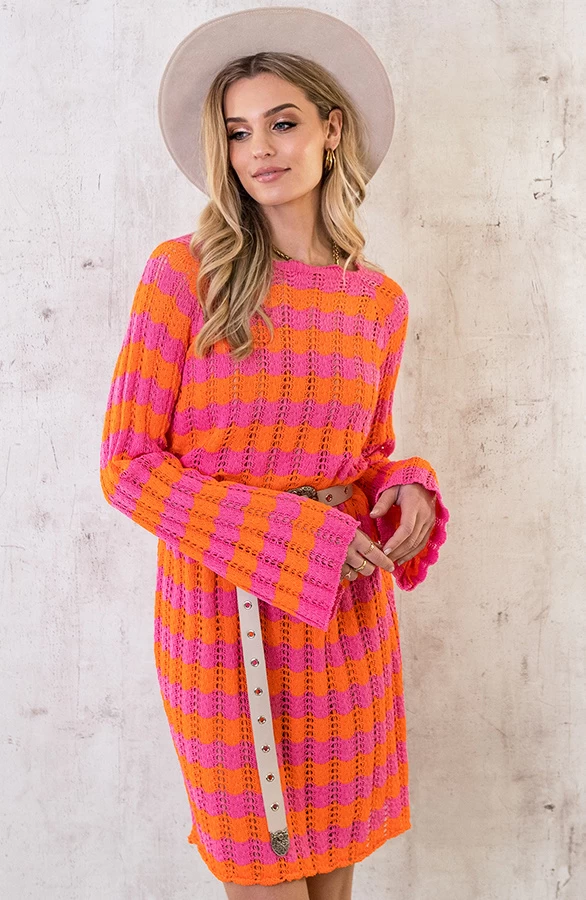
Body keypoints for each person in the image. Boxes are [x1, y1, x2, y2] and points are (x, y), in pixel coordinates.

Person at [99, 8, 450, 898]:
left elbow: (364, 455)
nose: (259, 148)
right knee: (262, 878)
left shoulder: (378, 303)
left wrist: (407, 486)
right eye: (237, 131)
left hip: (344, 627)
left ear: (331, 130)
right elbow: (128, 465)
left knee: (333, 885)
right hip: (222, 626)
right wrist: (292, 534)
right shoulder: (184, 275)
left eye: (282, 122)